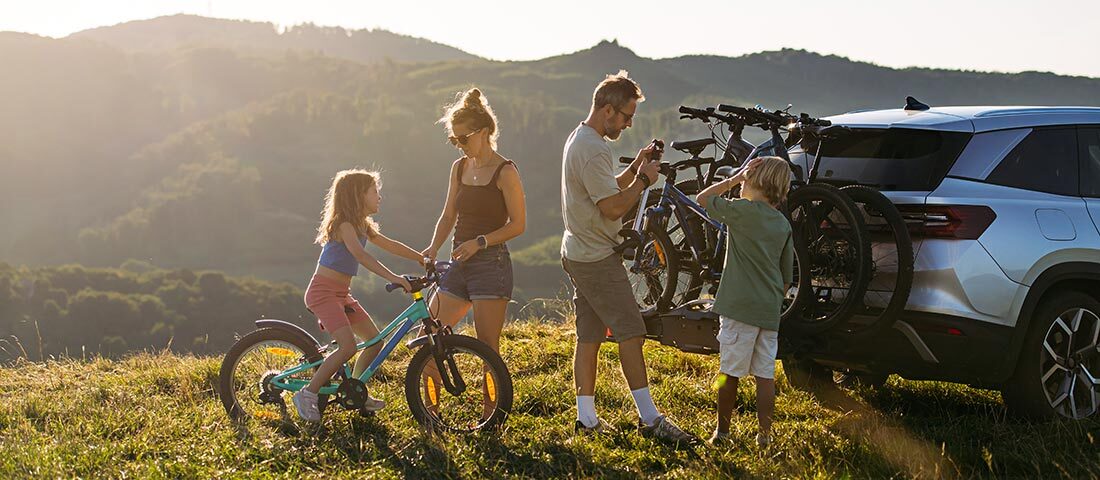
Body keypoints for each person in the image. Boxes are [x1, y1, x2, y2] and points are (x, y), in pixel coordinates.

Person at [560, 70, 693, 443]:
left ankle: (585, 419)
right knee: (631, 333)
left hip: (577, 250)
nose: (629, 123)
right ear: (606, 110)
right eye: (625, 116)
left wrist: (634, 167)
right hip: (596, 256)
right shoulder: (592, 147)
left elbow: (603, 187)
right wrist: (645, 181)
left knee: (588, 337)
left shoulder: (581, 138)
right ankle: (650, 420)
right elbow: (614, 207)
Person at [420, 87, 526, 419]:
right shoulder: (459, 168)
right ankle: (431, 414)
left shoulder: (506, 171)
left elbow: (518, 224)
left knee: (487, 350)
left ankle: (491, 416)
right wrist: (433, 247)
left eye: (462, 139)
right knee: (430, 341)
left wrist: (480, 242)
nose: (459, 145)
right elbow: (448, 215)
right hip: (458, 264)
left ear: (483, 133)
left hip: (490, 266)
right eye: (454, 141)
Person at [292, 169, 422, 422]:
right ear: (357, 196)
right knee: (348, 346)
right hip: (323, 293)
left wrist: (422, 258)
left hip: (341, 294)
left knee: (374, 341)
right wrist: (396, 278)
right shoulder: (344, 225)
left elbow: (391, 245)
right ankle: (307, 394)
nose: (380, 197)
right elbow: (361, 256)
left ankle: (356, 391)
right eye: (374, 191)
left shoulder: (362, 225)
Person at [694, 156, 794, 447]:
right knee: (765, 375)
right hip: (768, 311)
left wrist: (733, 179)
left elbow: (703, 198)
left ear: (754, 181)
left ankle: (722, 433)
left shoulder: (741, 211)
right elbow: (786, 276)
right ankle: (765, 436)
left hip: (739, 309)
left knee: (729, 373)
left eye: (747, 179)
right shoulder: (783, 224)